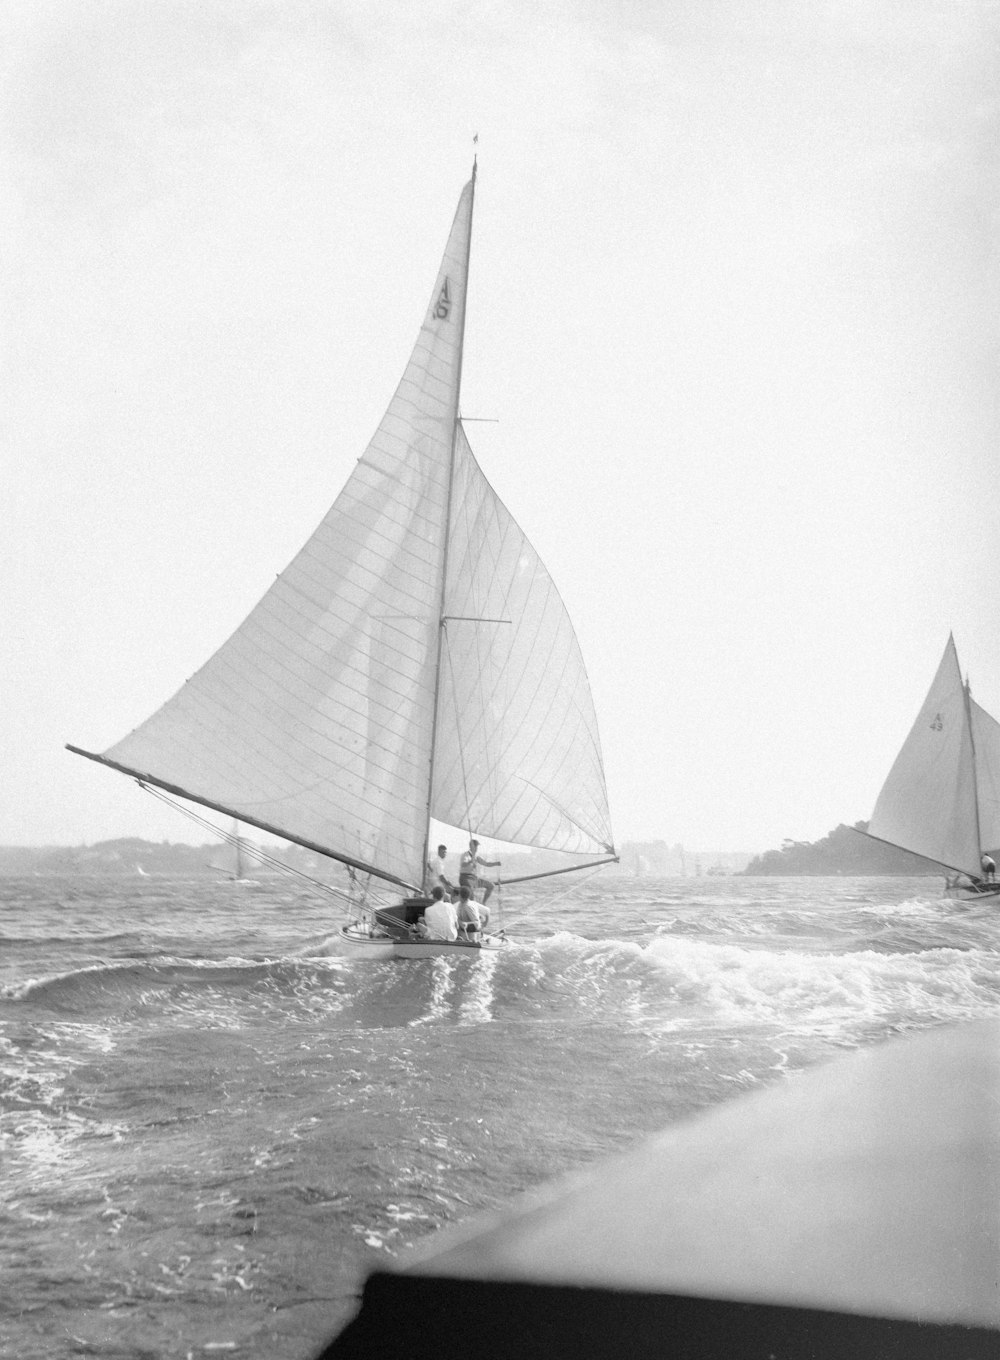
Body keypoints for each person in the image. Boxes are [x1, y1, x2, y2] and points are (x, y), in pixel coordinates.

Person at [459, 838, 500, 905]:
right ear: (472, 846)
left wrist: (496, 863)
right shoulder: (465, 855)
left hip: (474, 878)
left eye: (477, 847)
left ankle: (483, 903)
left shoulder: (476, 856)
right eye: (476, 846)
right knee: (471, 898)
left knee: (491, 885)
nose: (477, 848)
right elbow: (463, 864)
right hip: (465, 878)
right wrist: (470, 861)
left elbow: (486, 864)